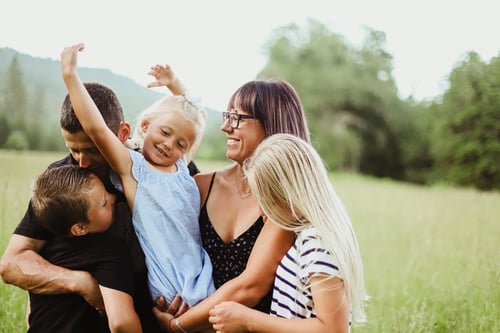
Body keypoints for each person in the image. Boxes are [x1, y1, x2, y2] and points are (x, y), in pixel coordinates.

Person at [0, 72, 197, 331]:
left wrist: (187, 291)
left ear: (123, 133)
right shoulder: (62, 182)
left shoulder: (159, 163)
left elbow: (192, 228)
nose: (81, 162)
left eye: (92, 149)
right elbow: (12, 263)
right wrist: (78, 282)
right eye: (73, 149)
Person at [61, 43, 215, 308]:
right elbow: (97, 129)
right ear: (145, 125)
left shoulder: (179, 166)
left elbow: (195, 120)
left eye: (181, 144)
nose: (170, 145)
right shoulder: (133, 170)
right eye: (165, 133)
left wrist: (174, 83)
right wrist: (70, 76)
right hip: (171, 285)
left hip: (202, 276)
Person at [153, 78, 311, 332]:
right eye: (227, 116)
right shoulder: (202, 186)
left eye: (237, 118)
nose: (226, 127)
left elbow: (251, 286)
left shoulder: (283, 203)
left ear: (270, 126)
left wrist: (178, 326)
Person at [208, 134, 369, 333]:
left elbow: (333, 329)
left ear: (287, 195)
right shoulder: (308, 236)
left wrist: (248, 319)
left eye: (266, 200)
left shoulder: (317, 242)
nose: (261, 211)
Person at [28, 165, 141, 333]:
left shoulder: (43, 252)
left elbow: (31, 313)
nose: (112, 198)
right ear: (80, 228)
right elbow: (121, 323)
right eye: (103, 203)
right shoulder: (110, 250)